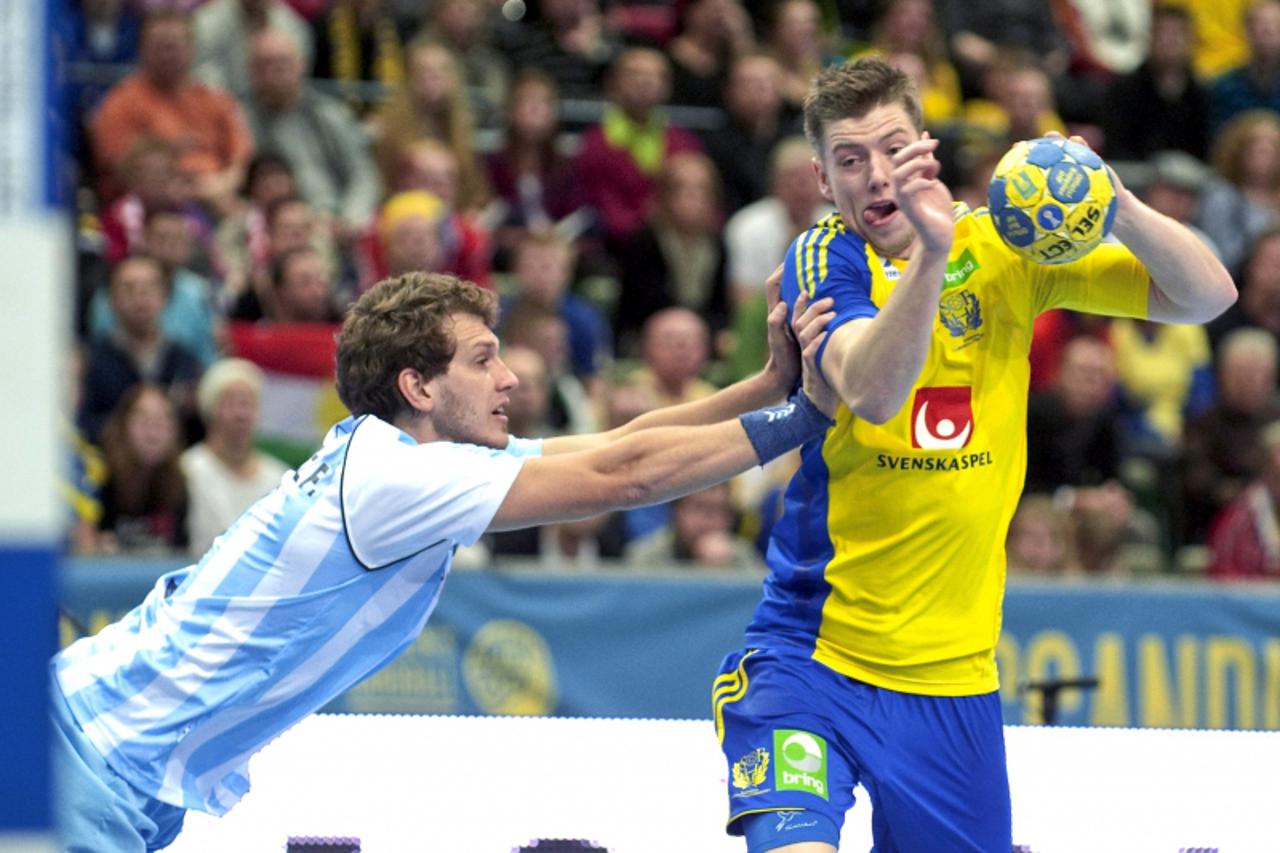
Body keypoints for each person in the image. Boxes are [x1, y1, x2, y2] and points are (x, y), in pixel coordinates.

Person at [51, 269, 840, 852]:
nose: (510, 378)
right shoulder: (399, 477)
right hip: (88, 761)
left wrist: (766, 385)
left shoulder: (401, 459)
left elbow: (614, 444)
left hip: (115, 764)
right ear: (417, 386)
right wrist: (806, 415)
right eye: (484, 359)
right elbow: (622, 478)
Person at [712, 57, 1234, 853]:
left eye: (891, 148)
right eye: (849, 160)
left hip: (955, 683)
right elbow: (874, 390)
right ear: (823, 179)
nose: (875, 174)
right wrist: (930, 249)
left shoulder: (1006, 249)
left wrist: (1113, 201)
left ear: (925, 146)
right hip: (815, 659)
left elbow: (1206, 295)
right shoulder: (824, 258)